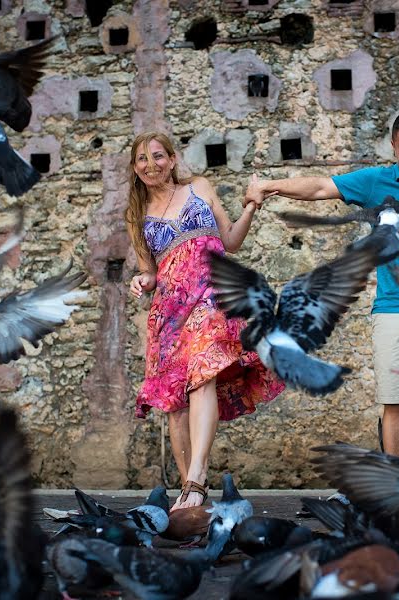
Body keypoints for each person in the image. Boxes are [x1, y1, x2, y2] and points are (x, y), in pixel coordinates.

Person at [244, 109, 399, 475]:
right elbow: (320, 187)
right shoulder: (375, 182)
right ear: (394, 149)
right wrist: (270, 187)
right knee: (396, 404)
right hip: (394, 310)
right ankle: (397, 493)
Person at [126, 132, 285, 511]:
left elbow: (230, 241)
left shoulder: (200, 187)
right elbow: (150, 272)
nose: (151, 165)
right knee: (176, 400)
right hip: (169, 310)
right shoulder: (137, 212)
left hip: (212, 298)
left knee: (203, 373)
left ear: (173, 158)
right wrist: (142, 279)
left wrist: (250, 207)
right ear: (135, 168)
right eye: (143, 160)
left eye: (158, 156)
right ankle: (190, 493)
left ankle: (197, 478)